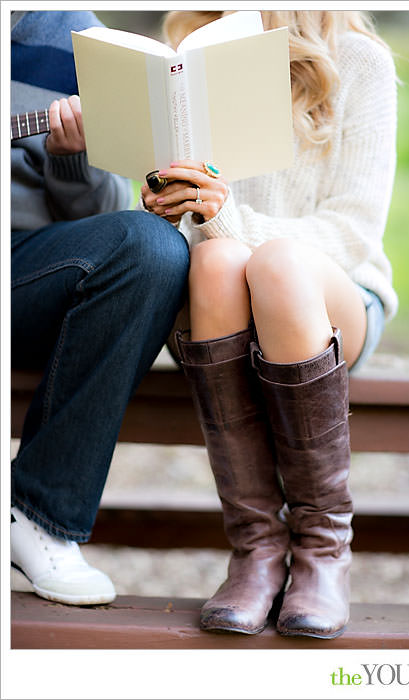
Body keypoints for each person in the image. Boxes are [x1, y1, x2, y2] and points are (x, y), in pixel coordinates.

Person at [139, 10, 397, 639]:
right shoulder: (183, 59)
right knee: (219, 262)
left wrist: (229, 216)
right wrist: (163, 206)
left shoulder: (361, 61)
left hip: (330, 297)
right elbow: (180, 234)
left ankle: (322, 552)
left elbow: (352, 233)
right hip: (216, 299)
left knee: (275, 264)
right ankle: (255, 548)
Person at [10, 11, 190, 605]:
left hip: (26, 266)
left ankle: (38, 516)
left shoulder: (67, 32)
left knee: (152, 248)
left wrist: (69, 157)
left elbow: (104, 214)